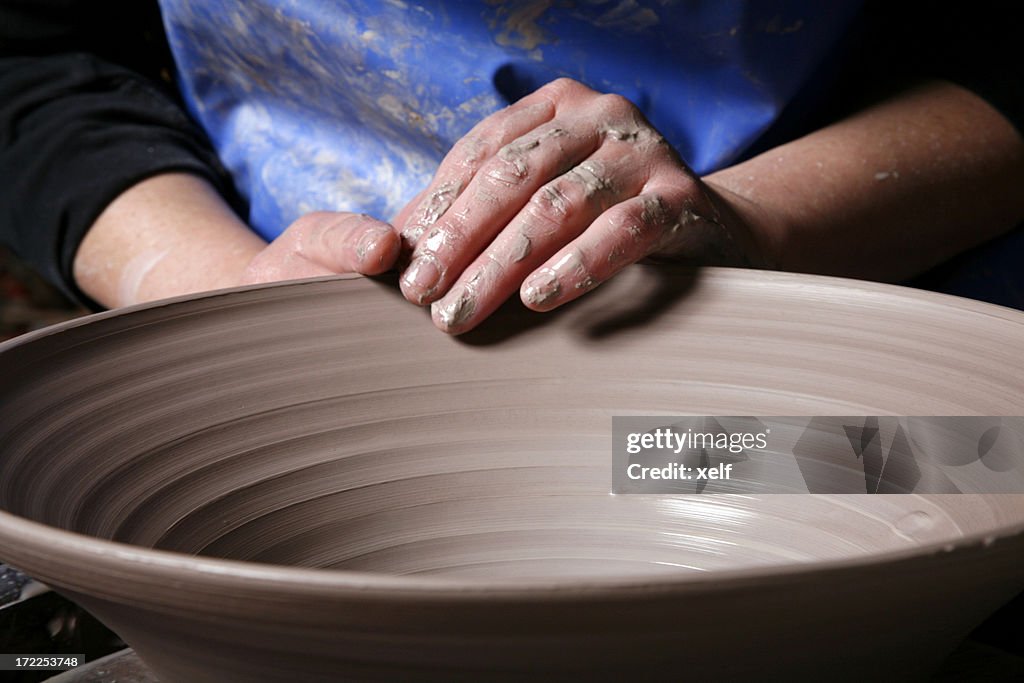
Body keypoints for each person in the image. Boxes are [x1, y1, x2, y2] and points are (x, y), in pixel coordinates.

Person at [1, 1, 1022, 335]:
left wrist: (751, 224)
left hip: (843, 280)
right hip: (285, 284)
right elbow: (30, 52)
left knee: (947, 495)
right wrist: (214, 292)